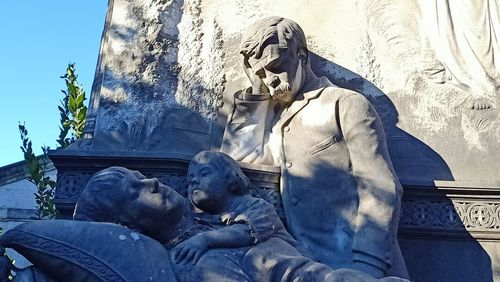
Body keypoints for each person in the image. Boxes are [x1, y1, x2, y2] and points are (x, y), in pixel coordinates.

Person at [221, 16, 408, 279]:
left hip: (358, 266)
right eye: (261, 74)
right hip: (302, 269)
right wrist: (255, 94)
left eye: (274, 66)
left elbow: (381, 188)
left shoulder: (345, 103)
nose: (270, 80)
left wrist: (366, 267)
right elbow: (231, 172)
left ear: (301, 55)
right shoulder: (274, 122)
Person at [73, 166, 383, 282]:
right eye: (135, 191)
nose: (152, 181)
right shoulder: (192, 262)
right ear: (134, 227)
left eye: (141, 178)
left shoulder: (217, 218)